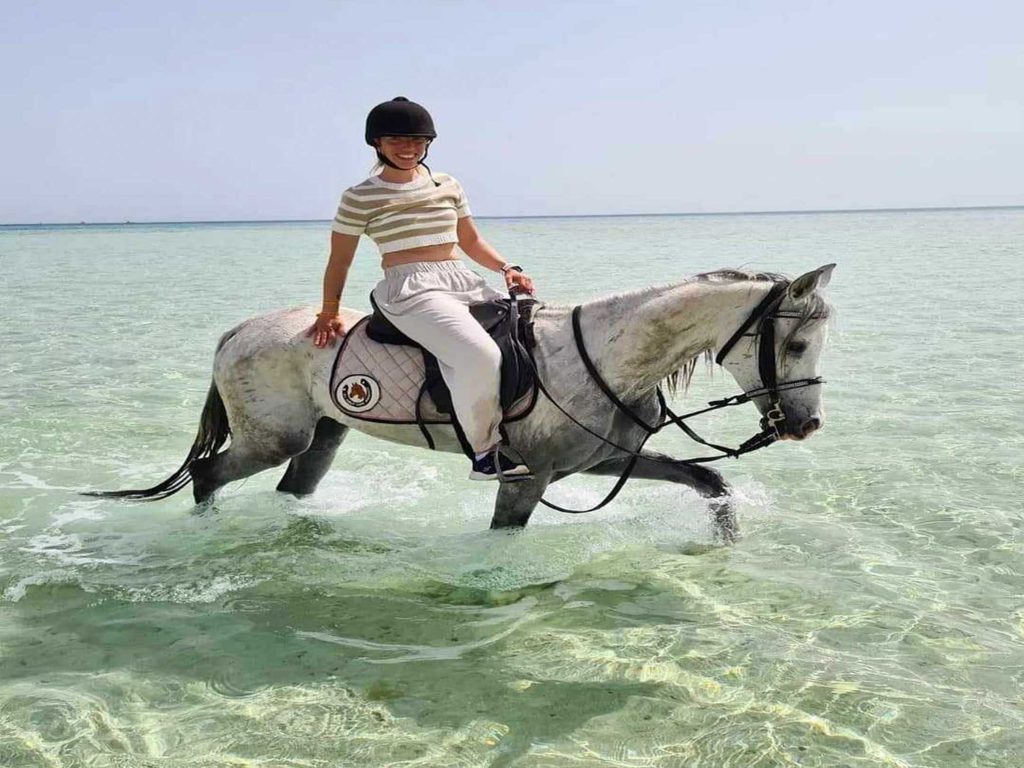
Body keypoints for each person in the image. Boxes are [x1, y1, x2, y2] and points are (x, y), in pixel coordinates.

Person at [307, 97, 536, 482]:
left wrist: (506, 268)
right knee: (478, 355)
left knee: (532, 335)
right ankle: (484, 453)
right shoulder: (359, 196)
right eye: (396, 139)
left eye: (417, 139)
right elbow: (340, 261)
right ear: (377, 143)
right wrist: (329, 311)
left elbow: (470, 240)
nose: (408, 147)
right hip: (410, 289)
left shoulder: (447, 184)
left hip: (461, 279)